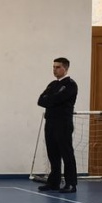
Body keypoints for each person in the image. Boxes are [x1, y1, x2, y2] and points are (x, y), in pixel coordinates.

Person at [37, 57, 79, 193]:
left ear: (65, 68)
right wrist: (51, 99)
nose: (55, 70)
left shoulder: (70, 85)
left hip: (63, 123)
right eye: (53, 67)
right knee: (52, 153)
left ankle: (71, 183)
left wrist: (50, 99)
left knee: (66, 153)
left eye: (58, 67)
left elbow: (57, 99)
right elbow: (41, 100)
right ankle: (54, 182)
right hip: (50, 123)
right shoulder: (53, 84)